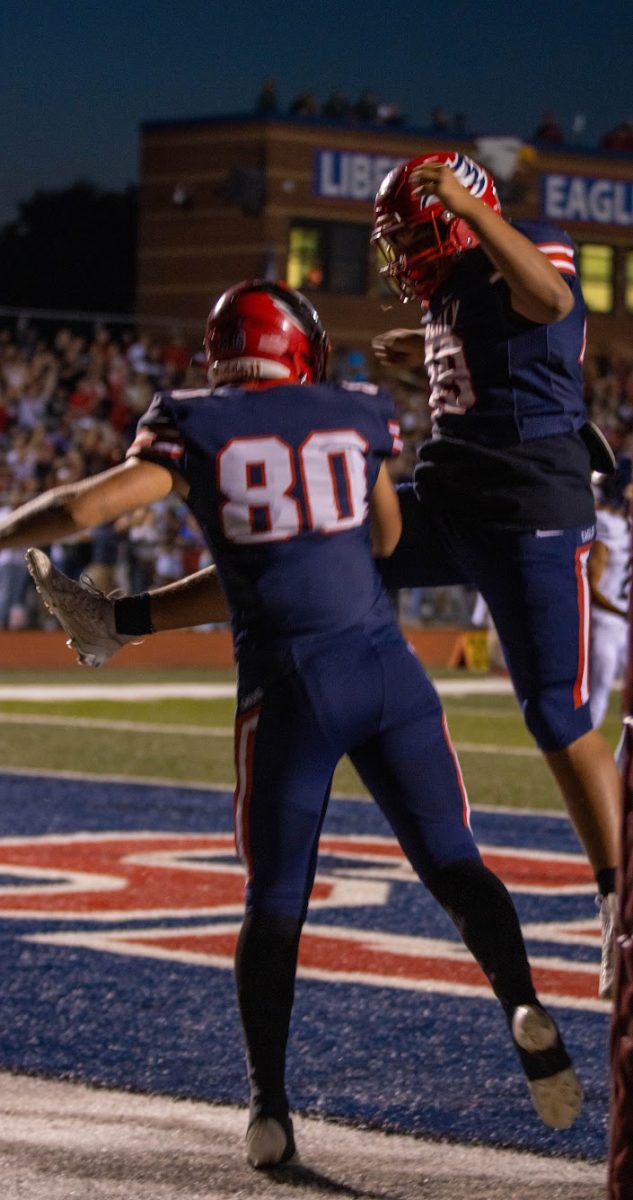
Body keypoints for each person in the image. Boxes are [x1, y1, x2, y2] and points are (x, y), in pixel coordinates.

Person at [1, 281, 582, 1165]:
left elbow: (83, 508)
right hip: (388, 674)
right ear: (301, 348)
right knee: (454, 862)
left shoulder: (192, 421)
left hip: (289, 688)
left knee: (273, 903)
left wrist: (11, 527)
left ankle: (270, 1108)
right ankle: (520, 999)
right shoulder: (351, 408)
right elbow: (383, 542)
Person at [368, 149, 621, 1002]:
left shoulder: (529, 242)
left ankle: (619, 901)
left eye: (411, 232)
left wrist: (478, 216)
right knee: (317, 547)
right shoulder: (452, 292)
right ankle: (128, 619)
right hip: (452, 495)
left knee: (555, 711)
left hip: (524, 505)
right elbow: (492, 349)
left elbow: (549, 300)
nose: (402, 255)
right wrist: (425, 346)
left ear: (456, 213)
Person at [588, 457, 633, 730]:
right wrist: (620, 611)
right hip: (605, 619)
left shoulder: (624, 523)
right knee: (599, 689)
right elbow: (594, 581)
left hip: (622, 622)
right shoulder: (606, 522)